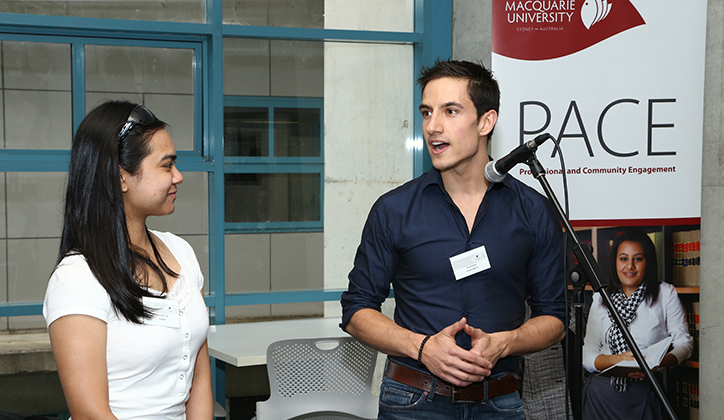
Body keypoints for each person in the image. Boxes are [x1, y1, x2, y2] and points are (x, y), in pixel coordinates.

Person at [340, 59, 567, 419]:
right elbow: (355, 311)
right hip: (411, 401)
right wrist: (423, 347)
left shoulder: (534, 210)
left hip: (500, 401)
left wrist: (504, 342)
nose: (433, 126)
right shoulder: (394, 210)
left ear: (486, 122)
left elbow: (554, 318)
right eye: (427, 112)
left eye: (450, 111)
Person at [43, 100, 213, 420]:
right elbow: (91, 413)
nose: (179, 176)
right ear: (121, 177)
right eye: (166, 165)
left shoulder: (181, 252)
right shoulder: (78, 278)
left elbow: (199, 375)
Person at [582, 228, 693, 419]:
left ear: (647, 262)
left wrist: (653, 365)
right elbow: (588, 356)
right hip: (601, 396)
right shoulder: (601, 297)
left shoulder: (665, 293)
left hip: (646, 391)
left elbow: (685, 343)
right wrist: (622, 360)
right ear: (615, 262)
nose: (630, 266)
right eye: (623, 259)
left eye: (638, 259)